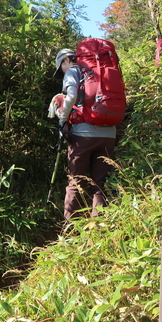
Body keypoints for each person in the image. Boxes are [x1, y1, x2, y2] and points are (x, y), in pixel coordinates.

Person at [53, 48, 117, 219]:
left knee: (76, 182)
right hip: (109, 134)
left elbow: (71, 96)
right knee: (99, 184)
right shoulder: (103, 71)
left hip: (83, 135)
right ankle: (99, 227)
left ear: (66, 59)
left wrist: (62, 118)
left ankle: (70, 228)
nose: (62, 71)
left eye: (61, 67)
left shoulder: (74, 70)